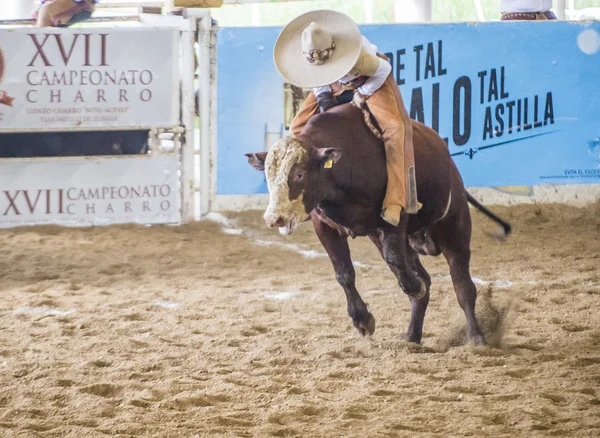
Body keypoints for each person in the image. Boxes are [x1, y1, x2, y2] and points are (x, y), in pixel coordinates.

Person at [273, 10, 419, 227]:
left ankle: (396, 200)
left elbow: (383, 70)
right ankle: (313, 187)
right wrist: (324, 100)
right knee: (297, 127)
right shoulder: (311, 54)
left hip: (368, 79)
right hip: (331, 81)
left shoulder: (363, 57)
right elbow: (316, 76)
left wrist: (360, 96)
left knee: (395, 128)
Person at [33, 0, 98, 28]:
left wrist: (60, 15)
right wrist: (39, 8)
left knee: (46, 8)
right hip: (56, 15)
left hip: (80, 11)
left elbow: (84, 5)